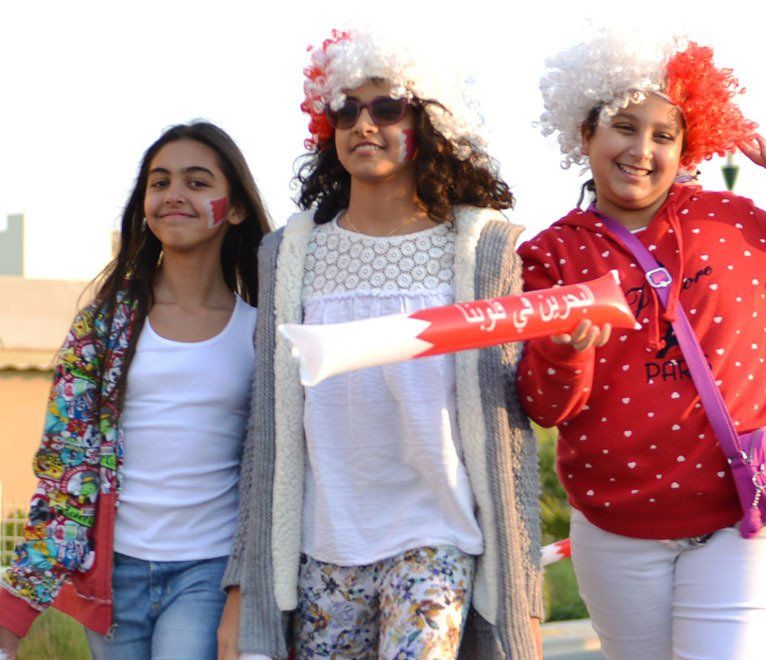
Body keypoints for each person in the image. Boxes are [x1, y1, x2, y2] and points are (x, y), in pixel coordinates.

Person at [516, 29, 766, 659]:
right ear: (585, 134)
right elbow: (546, 407)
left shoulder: (731, 219)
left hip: (749, 515)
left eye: (664, 135)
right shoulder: (549, 255)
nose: (642, 150)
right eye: (624, 127)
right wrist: (567, 351)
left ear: (687, 147)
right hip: (616, 530)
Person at [216, 26, 542, 659]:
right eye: (347, 110)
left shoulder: (482, 251)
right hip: (323, 544)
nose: (364, 125)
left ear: (428, 125)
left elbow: (508, 428)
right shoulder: (289, 254)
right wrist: (243, 584)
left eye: (388, 108)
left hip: (436, 537)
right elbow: (267, 426)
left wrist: (521, 591)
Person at [0, 121, 271, 660]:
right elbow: (64, 468)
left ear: (236, 208)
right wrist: (14, 614)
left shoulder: (260, 333)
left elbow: (273, 470)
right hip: (112, 576)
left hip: (208, 572)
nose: (174, 194)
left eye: (197, 182)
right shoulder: (102, 328)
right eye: (159, 182)